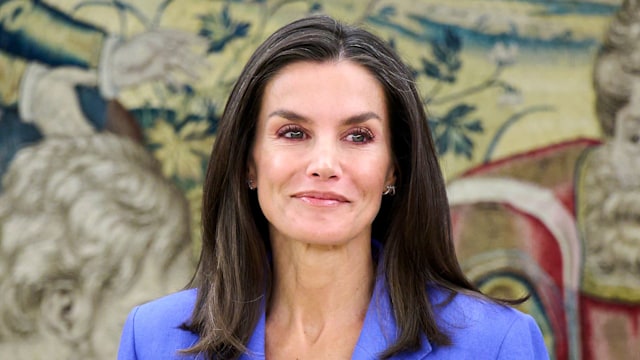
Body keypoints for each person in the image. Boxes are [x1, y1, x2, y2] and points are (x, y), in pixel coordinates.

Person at [117, 15, 549, 359]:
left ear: (393, 170)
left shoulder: (495, 344)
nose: (324, 165)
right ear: (249, 163)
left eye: (358, 136)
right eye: (292, 132)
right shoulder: (152, 339)